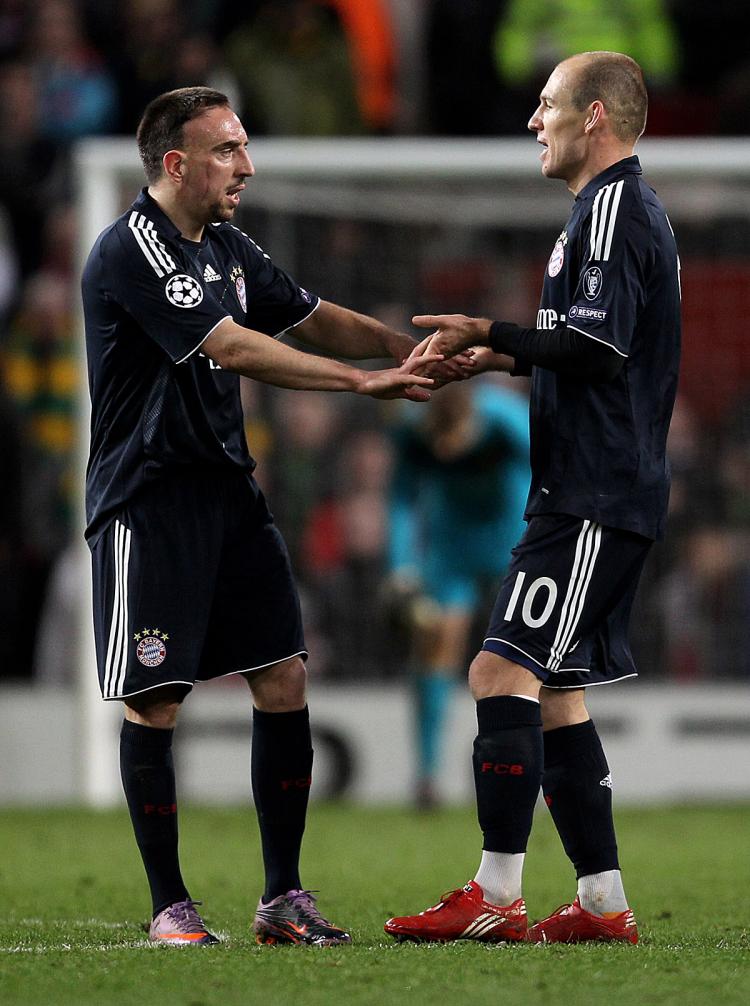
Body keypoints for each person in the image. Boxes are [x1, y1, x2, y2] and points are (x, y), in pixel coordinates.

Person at [81, 85, 458, 948]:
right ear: (175, 164)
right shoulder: (133, 249)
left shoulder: (227, 245)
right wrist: (364, 386)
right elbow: (234, 343)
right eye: (226, 151)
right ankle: (169, 906)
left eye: (244, 148)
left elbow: (308, 316)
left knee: (284, 676)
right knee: (157, 701)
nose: (246, 166)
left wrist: (408, 349)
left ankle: (283, 899)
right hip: (149, 500)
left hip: (227, 493)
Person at [384, 51, 681, 944]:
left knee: (496, 672)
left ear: (595, 116)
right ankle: (600, 904)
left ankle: (497, 895)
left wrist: (491, 329)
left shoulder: (613, 209)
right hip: (600, 486)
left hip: (591, 491)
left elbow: (595, 343)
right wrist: (503, 357)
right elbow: (588, 343)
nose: (533, 120)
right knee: (555, 692)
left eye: (546, 104)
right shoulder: (609, 211)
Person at [386, 378, 529, 807]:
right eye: (438, 438)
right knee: (434, 647)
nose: (445, 449)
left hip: (513, 540)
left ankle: (529, 772)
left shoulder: (507, 420)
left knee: (523, 659)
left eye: (455, 437)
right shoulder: (411, 430)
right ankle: (427, 776)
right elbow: (401, 498)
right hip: (451, 546)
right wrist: (401, 568)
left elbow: (551, 473)